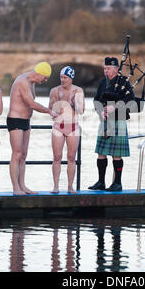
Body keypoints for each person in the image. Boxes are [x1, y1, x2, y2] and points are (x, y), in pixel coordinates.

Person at [7, 62, 58, 195]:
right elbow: (31, 103)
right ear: (39, 73)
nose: (45, 80)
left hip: (25, 121)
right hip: (15, 120)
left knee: (23, 155)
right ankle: (15, 188)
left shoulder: (32, 82)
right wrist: (49, 112)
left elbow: (31, 103)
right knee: (16, 154)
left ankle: (22, 185)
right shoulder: (22, 81)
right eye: (45, 77)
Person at [88, 57, 135, 192]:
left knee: (116, 153)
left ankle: (117, 183)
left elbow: (130, 100)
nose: (105, 71)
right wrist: (100, 112)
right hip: (104, 120)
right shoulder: (103, 82)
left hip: (119, 118)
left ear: (116, 69)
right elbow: (96, 100)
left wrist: (115, 107)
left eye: (108, 68)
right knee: (101, 152)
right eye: (105, 68)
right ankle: (101, 182)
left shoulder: (124, 82)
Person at [49, 66, 85, 194]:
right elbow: (50, 109)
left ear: (71, 78)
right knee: (57, 157)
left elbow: (81, 111)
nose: (63, 80)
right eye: (61, 77)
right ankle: (55, 186)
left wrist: (73, 101)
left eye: (65, 78)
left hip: (73, 126)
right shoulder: (54, 91)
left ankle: (70, 187)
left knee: (71, 157)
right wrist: (57, 107)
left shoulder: (78, 91)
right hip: (59, 126)